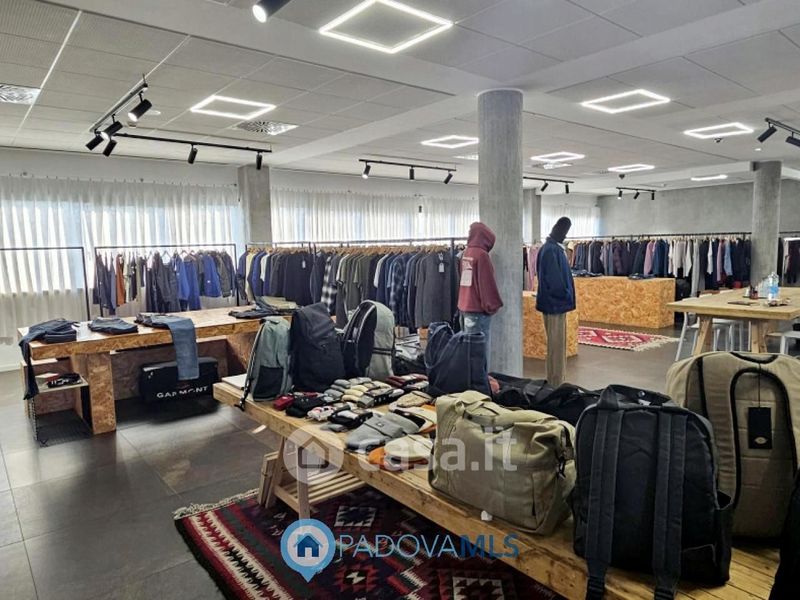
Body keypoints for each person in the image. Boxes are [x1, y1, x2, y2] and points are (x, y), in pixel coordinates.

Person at [537, 217, 576, 386]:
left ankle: (555, 380)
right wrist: (565, 295)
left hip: (554, 303)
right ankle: (556, 383)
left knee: (555, 346)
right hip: (555, 305)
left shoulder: (551, 249)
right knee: (557, 346)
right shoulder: (552, 250)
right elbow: (554, 281)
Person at [458, 222, 503, 349]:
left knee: (469, 352)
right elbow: (486, 284)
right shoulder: (482, 255)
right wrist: (492, 306)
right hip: (477, 311)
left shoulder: (466, 253)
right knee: (480, 353)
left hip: (464, 307)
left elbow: (466, 281)